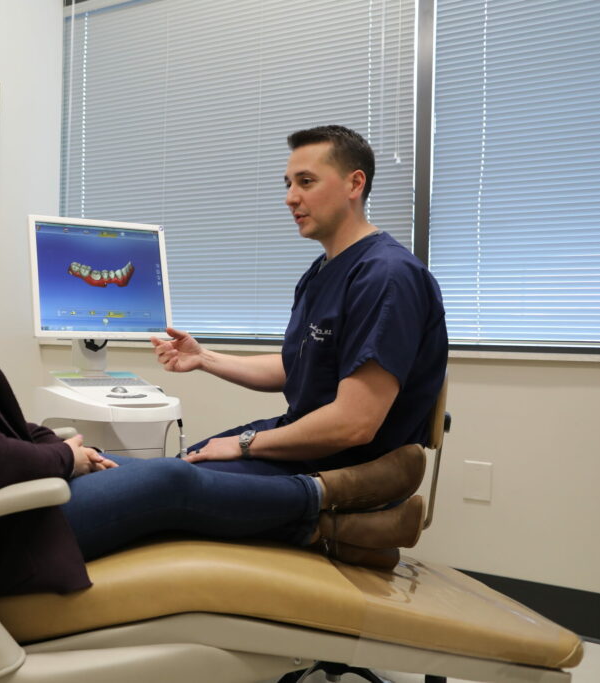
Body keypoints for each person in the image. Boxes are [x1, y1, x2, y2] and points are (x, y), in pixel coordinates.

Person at [0, 140, 432, 599]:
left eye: (305, 181)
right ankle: (331, 510)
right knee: (176, 480)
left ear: (355, 184)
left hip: (4, 505)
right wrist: (63, 456)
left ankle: (339, 517)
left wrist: (57, 444)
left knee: (174, 474)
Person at [151, 125, 448, 526]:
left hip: (345, 470)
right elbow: (299, 365)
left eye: (306, 182)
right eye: (289, 183)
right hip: (302, 447)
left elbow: (354, 424)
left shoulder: (386, 275)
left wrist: (245, 444)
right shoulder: (321, 272)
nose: (291, 197)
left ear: (354, 183)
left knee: (165, 490)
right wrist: (204, 357)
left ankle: (345, 527)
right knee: (172, 470)